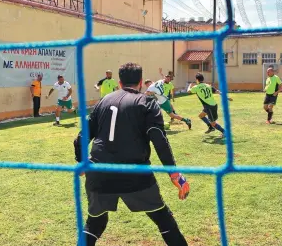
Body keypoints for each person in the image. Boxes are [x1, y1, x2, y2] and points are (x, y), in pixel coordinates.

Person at [73, 62, 189, 246]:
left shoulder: (103, 101)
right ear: (141, 82)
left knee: (95, 223)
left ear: (119, 82)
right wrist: (173, 173)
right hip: (134, 174)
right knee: (163, 219)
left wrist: (82, 161)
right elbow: (159, 138)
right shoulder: (147, 102)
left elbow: (80, 137)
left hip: (99, 172)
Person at [187, 72, 232, 137]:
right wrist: (227, 97)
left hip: (209, 107)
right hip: (213, 105)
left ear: (197, 80)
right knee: (201, 116)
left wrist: (189, 86)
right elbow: (218, 92)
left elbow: (188, 91)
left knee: (213, 123)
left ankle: (224, 132)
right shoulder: (208, 85)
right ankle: (211, 127)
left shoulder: (196, 87)